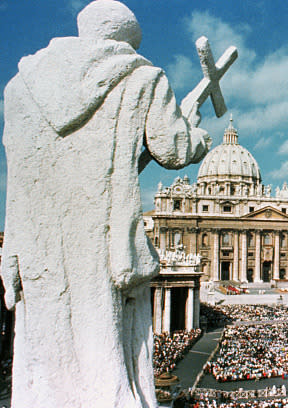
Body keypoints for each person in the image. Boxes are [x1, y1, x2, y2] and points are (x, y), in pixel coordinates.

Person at [1, 1, 212, 407]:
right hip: (101, 239)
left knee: (47, 352)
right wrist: (194, 130)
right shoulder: (143, 76)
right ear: (129, 39)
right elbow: (173, 147)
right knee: (106, 349)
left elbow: (19, 171)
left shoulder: (18, 88)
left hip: (37, 243)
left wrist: (12, 246)